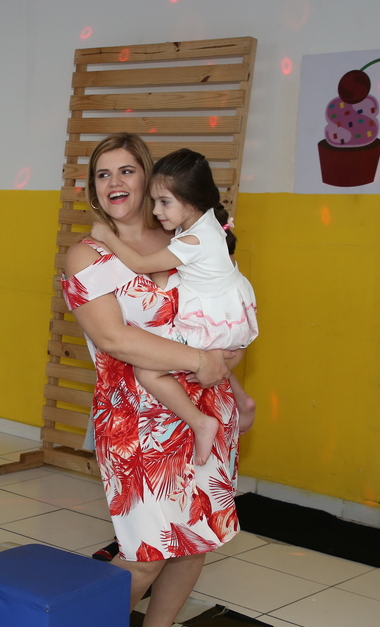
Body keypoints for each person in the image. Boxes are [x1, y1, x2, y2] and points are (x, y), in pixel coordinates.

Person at [63, 133, 242, 627]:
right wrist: (201, 360)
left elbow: (222, 309)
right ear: (93, 188)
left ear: (149, 179)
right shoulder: (86, 255)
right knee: (147, 551)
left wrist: (229, 372)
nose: (114, 183)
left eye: (126, 171)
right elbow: (114, 338)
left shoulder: (187, 237)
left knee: (197, 536)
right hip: (134, 421)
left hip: (205, 411)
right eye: (103, 174)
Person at [91, 148, 258, 466]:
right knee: (216, 355)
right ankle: (242, 399)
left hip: (214, 319)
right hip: (229, 314)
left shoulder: (191, 241)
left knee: (148, 370)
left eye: (164, 202)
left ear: (191, 200)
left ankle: (200, 422)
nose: (156, 211)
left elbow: (140, 264)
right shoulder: (205, 223)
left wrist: (107, 237)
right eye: (154, 201)